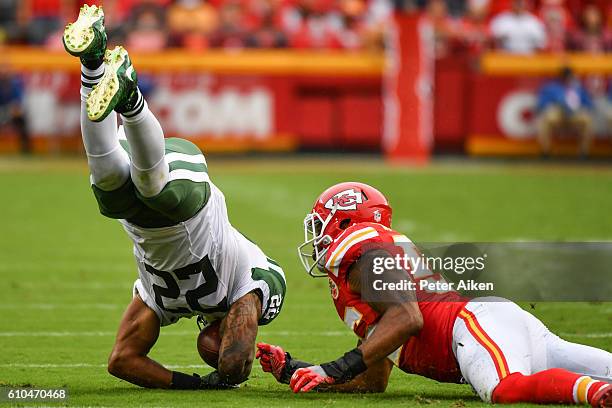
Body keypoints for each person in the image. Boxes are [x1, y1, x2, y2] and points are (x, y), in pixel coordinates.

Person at [62, 4, 286, 389]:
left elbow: (121, 361)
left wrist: (193, 384)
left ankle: (92, 62)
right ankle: (131, 97)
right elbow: (235, 363)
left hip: (139, 216)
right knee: (156, 191)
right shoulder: (254, 280)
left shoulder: (163, 301)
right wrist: (227, 373)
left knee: (108, 189)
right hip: (188, 196)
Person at [256, 182, 612, 406]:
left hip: (470, 329)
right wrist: (297, 370)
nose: (317, 237)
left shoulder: (367, 257)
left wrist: (334, 366)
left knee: (506, 390)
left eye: (321, 225)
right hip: (490, 325)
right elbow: (372, 380)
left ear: (346, 222)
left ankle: (597, 396)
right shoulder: (360, 271)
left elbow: (409, 318)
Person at [536, 67, 594, 157]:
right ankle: (546, 151)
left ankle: (583, 153)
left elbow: (589, 104)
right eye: (565, 77)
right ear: (561, 77)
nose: (567, 79)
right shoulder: (552, 87)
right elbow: (541, 104)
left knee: (587, 120)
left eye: (569, 76)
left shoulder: (577, 88)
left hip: (575, 115)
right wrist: (553, 105)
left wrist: (580, 107)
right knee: (544, 120)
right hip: (558, 114)